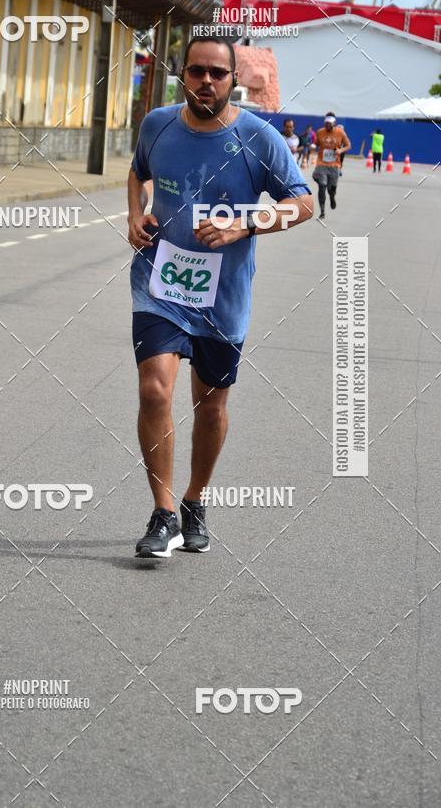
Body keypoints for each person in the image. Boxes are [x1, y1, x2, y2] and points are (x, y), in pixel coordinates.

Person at [127, 36, 314, 558]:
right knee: (154, 391)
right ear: (182, 75)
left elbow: (303, 204)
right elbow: (138, 172)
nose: (206, 81)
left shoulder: (258, 138)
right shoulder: (157, 125)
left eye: (217, 73)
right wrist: (134, 214)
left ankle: (194, 500)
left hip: (223, 296)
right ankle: (163, 513)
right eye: (196, 71)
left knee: (210, 406)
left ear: (233, 80)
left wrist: (244, 226)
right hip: (159, 284)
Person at [313, 112, 351, 219]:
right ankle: (322, 211)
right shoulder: (320, 132)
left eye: (330, 123)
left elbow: (348, 145)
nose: (327, 125)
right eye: (326, 123)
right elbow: (316, 143)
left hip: (335, 165)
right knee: (322, 186)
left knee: (331, 188)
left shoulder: (340, 132)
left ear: (334, 123)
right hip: (322, 163)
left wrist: (340, 150)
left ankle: (332, 196)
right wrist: (313, 146)